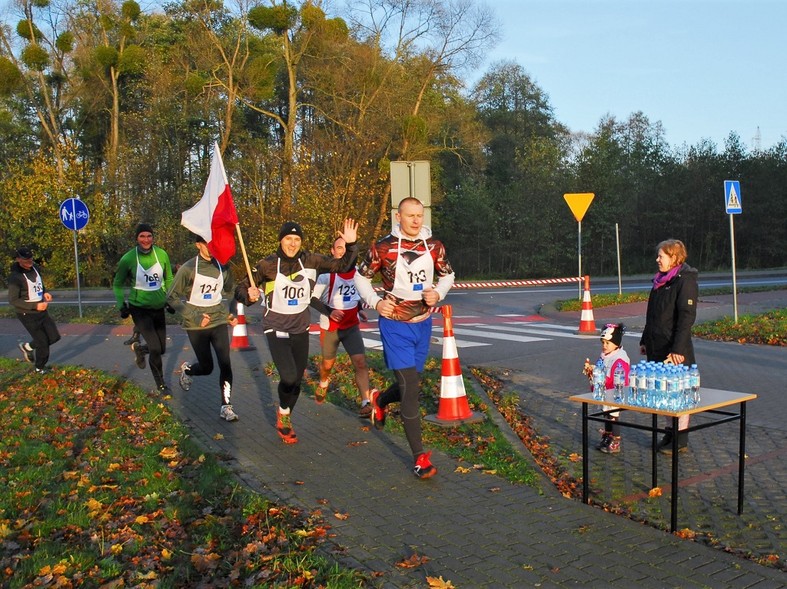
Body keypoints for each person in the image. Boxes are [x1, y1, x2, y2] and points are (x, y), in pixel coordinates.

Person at [354, 197, 455, 479]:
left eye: (419, 216)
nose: (415, 221)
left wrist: (439, 292)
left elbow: (448, 274)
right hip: (395, 324)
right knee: (411, 388)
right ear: (399, 216)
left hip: (422, 324)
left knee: (410, 383)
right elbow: (360, 277)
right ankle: (419, 457)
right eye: (410, 216)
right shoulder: (383, 247)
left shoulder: (434, 245)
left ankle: (380, 401)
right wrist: (375, 301)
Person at [235, 219, 359, 444]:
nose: (292, 244)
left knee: (297, 382)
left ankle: (285, 415)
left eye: (297, 239)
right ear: (280, 240)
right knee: (289, 376)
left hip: (300, 328)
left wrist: (351, 246)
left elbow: (343, 266)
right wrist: (248, 296)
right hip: (276, 327)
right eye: (288, 239)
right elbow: (241, 288)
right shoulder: (267, 265)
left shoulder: (311, 260)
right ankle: (283, 414)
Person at [167, 233, 240, 421]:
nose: (213, 246)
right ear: (198, 245)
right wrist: (194, 316)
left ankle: (226, 406)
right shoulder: (188, 268)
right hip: (196, 325)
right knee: (207, 367)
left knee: (225, 363)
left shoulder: (223, 266)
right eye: (208, 243)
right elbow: (171, 297)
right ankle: (188, 370)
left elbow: (232, 291)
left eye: (215, 242)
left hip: (218, 322)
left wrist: (231, 313)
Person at [640, 239, 698, 454]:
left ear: (674, 258)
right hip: (656, 345)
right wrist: (645, 340)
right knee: (662, 393)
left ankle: (680, 438)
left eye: (661, 256)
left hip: (675, 349)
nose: (657, 259)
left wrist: (678, 349)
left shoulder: (685, 281)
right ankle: (669, 432)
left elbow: (686, 317)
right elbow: (652, 314)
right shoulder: (659, 281)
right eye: (658, 256)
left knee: (678, 393)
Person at [311, 236, 377, 415]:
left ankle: (365, 402)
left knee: (360, 362)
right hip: (331, 326)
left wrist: (360, 308)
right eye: (339, 248)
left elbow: (353, 295)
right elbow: (312, 298)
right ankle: (324, 382)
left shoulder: (357, 272)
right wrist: (329, 311)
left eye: (345, 248)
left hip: (351, 326)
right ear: (332, 252)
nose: (342, 251)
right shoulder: (326, 274)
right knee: (327, 364)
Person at [113, 223, 174, 394]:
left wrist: (170, 299)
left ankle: (140, 349)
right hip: (139, 309)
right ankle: (160, 383)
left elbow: (169, 278)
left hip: (158, 308)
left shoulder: (161, 254)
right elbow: (117, 284)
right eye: (142, 236)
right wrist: (121, 305)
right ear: (137, 238)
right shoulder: (128, 258)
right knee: (155, 348)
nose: (146, 240)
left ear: (153, 238)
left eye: (149, 236)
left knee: (161, 348)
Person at [7, 246, 61, 374]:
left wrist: (45, 293)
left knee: (54, 337)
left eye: (31, 259)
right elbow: (13, 300)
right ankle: (39, 368)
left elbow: (39, 284)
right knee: (42, 343)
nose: (29, 262)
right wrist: (35, 306)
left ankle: (27, 347)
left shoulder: (35, 268)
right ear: (18, 260)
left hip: (42, 310)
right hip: (27, 313)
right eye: (26, 260)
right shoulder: (15, 277)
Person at [587, 323, 630, 454]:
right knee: (606, 415)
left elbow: (618, 377)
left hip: (615, 392)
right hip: (604, 391)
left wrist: (602, 379)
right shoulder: (604, 356)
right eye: (603, 343)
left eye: (608, 343)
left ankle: (615, 440)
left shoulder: (620, 358)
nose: (604, 346)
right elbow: (599, 368)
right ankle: (607, 435)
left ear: (616, 344)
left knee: (613, 415)